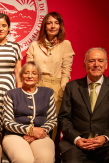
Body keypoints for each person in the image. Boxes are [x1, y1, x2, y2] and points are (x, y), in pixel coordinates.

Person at [1, 62, 57, 163]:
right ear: (21, 75)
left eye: (33, 73)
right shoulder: (11, 94)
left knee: (46, 158)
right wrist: (29, 130)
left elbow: (53, 119)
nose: (30, 76)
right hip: (15, 135)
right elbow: (7, 122)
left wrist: (39, 132)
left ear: (38, 77)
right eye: (26, 73)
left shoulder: (48, 93)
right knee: (23, 160)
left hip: (41, 134)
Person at [26, 12, 74, 141]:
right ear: (44, 26)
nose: (53, 26)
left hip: (56, 86)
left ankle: (50, 149)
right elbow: (28, 69)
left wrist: (63, 88)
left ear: (60, 26)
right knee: (34, 118)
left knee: (53, 122)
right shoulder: (34, 46)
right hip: (36, 84)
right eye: (49, 23)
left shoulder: (66, 44)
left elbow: (66, 70)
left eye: (56, 23)